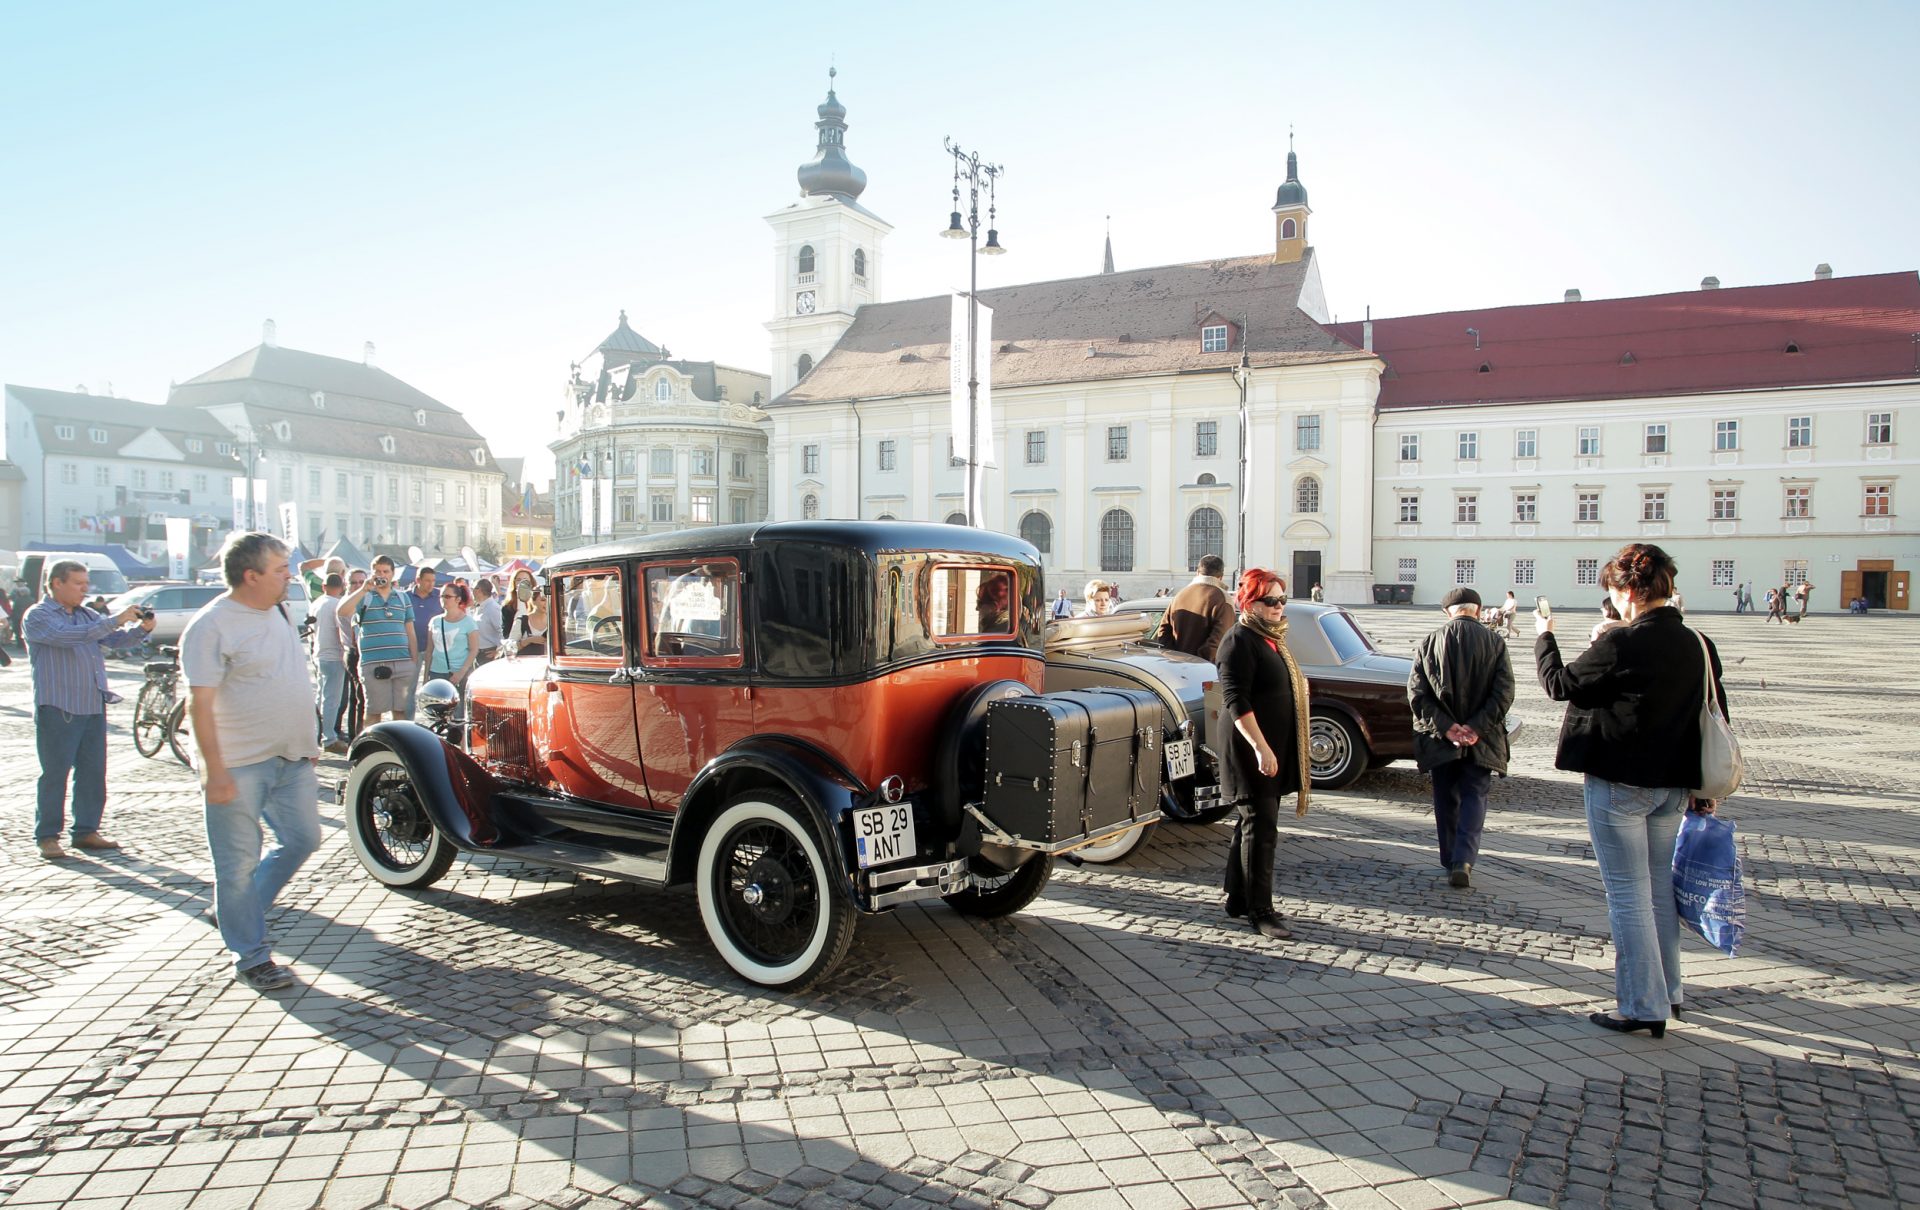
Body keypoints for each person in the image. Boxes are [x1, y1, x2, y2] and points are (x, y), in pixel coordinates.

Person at [1535, 543, 1727, 1039]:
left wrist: (1545, 637)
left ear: (1627, 592)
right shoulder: (1697, 643)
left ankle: (1642, 1004)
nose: (1614, 602)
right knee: (1657, 888)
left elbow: (1560, 684)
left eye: (1614, 592)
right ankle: (1670, 992)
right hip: (1672, 787)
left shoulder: (1624, 642)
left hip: (1620, 783)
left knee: (1628, 895)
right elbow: (1715, 708)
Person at [180, 532, 321, 993]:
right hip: (239, 764)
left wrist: (307, 738)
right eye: (281, 569)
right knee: (237, 866)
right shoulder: (212, 625)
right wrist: (212, 771)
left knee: (302, 840)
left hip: (291, 758)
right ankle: (251, 955)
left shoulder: (278, 609)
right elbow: (197, 705)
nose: (290, 576)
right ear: (251, 576)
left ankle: (234, 912)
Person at [24, 560, 156, 859]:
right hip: (59, 706)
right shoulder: (39, 615)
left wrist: (140, 630)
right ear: (57, 583)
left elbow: (113, 640)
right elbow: (66, 637)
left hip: (92, 704)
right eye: (78, 583)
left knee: (93, 773)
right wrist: (113, 620)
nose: (85, 589)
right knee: (55, 773)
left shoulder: (87, 614)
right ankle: (47, 835)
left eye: (86, 583)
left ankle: (86, 830)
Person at [1215, 569, 1311, 940]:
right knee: (1262, 826)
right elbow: (1236, 699)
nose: (1278, 606)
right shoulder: (1239, 640)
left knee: (1250, 823)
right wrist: (1260, 747)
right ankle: (1261, 910)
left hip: (1269, 746)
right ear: (1249, 602)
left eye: (1282, 599)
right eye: (1270, 600)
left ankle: (1237, 898)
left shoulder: (1271, 638)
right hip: (1248, 748)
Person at [1407, 588, 1514, 888]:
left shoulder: (1429, 642)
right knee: (1475, 795)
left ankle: (1449, 857)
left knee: (1445, 796)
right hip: (1483, 739)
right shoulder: (1495, 642)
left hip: (1441, 739)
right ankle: (1464, 860)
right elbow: (1504, 693)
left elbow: (1416, 694)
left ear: (1448, 612)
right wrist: (1476, 728)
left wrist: (1448, 727)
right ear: (1478, 610)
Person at [340, 555, 418, 724]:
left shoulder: (403, 598)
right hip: (374, 663)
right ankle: (371, 747)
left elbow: (410, 631)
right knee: (374, 712)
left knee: (401, 713)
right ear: (372, 573)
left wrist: (414, 661)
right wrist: (363, 589)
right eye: (378, 572)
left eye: (385, 571)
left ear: (392, 574)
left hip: (403, 662)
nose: (382, 575)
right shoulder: (365, 596)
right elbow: (342, 611)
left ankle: (399, 748)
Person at [1155, 554, 1235, 661]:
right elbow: (1219, 639)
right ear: (1221, 577)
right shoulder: (1223, 598)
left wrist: (1174, 657)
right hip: (1204, 670)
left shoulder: (1180, 595)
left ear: (1197, 572)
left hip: (1176, 667)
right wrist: (1197, 661)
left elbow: (1163, 631)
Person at [311, 573, 350, 754]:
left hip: (319, 653)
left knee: (321, 697)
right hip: (333, 655)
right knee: (331, 699)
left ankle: (317, 733)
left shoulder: (316, 603)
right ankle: (329, 737)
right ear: (341, 587)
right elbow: (339, 631)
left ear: (324, 586)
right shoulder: (337, 604)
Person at [428, 581, 480, 691]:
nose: (443, 599)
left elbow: (474, 649)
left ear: (458, 599)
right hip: (436, 672)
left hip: (458, 674)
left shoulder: (468, 622)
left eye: (447, 596)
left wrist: (461, 672)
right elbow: (429, 651)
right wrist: (425, 678)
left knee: (458, 707)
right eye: (441, 596)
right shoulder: (435, 621)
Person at [337, 568, 367, 739]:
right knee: (358, 697)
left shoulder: (367, 601)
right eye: (354, 582)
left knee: (359, 698)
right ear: (346, 585)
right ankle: (355, 737)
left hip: (365, 653)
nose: (357, 586)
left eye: (361, 582)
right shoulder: (346, 604)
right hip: (353, 652)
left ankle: (356, 735)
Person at [407, 567, 443, 695]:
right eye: (427, 580)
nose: (431, 584)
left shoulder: (440, 596)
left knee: (432, 687)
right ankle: (407, 715)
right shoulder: (406, 597)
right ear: (418, 580)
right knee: (409, 688)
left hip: (434, 649)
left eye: (433, 580)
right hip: (411, 648)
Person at [502, 570, 548, 657]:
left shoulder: (555, 622)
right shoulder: (521, 620)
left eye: (549, 600)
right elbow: (509, 649)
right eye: (543, 600)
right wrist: (528, 640)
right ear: (533, 601)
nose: (547, 603)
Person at [470, 577, 503, 667]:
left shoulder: (492, 608)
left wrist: (499, 650)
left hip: (488, 655)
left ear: (479, 590)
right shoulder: (480, 607)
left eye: (472, 589)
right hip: (478, 654)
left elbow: (502, 630)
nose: (471, 592)